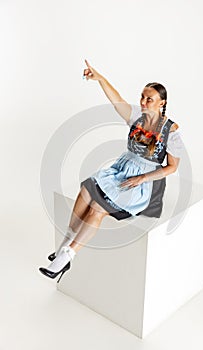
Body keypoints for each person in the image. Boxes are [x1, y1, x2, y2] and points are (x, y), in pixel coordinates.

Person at [39, 59, 184, 283]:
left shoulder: (170, 130)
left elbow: (173, 167)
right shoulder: (137, 116)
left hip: (142, 181)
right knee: (87, 189)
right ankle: (66, 241)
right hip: (121, 169)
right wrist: (100, 79)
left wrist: (142, 178)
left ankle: (68, 256)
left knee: (97, 208)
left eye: (150, 99)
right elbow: (116, 99)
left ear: (162, 103)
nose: (144, 102)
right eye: (142, 96)